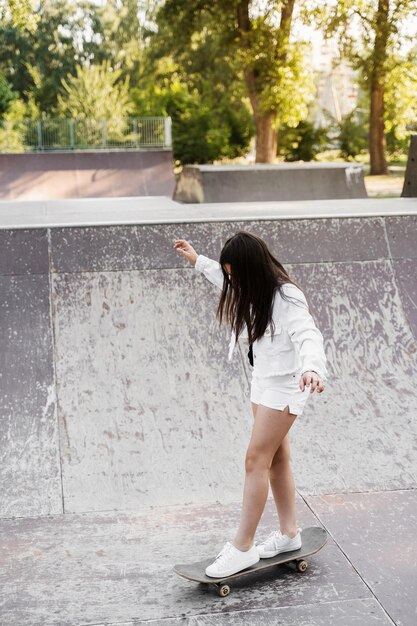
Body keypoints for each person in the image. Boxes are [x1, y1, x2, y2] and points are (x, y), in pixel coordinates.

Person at [173, 231, 328, 578]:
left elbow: (308, 334)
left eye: (236, 274)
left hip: (289, 382)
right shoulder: (248, 286)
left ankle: (242, 547)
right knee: (277, 458)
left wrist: (313, 368)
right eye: (230, 275)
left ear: (253, 268)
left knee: (255, 458)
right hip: (263, 381)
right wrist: (199, 261)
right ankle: (289, 533)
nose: (232, 281)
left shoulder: (286, 296)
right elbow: (222, 278)